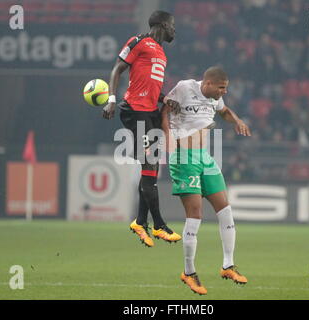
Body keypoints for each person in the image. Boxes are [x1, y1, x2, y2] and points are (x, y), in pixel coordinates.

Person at [161, 66, 252, 295]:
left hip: (205, 157)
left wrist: (237, 120)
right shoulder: (184, 88)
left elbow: (224, 111)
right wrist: (168, 139)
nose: (224, 92)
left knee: (225, 210)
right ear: (208, 83)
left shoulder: (215, 99)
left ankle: (228, 265)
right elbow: (165, 110)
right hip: (184, 158)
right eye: (221, 87)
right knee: (195, 215)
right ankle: (189, 272)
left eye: (226, 88)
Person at [103, 10, 181, 247]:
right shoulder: (138, 42)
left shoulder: (161, 53)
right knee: (149, 165)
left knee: (151, 170)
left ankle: (140, 221)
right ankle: (158, 225)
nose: (174, 29)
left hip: (150, 113)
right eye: (172, 25)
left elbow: (152, 87)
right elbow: (117, 68)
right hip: (134, 110)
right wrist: (111, 99)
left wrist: (166, 99)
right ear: (162, 24)